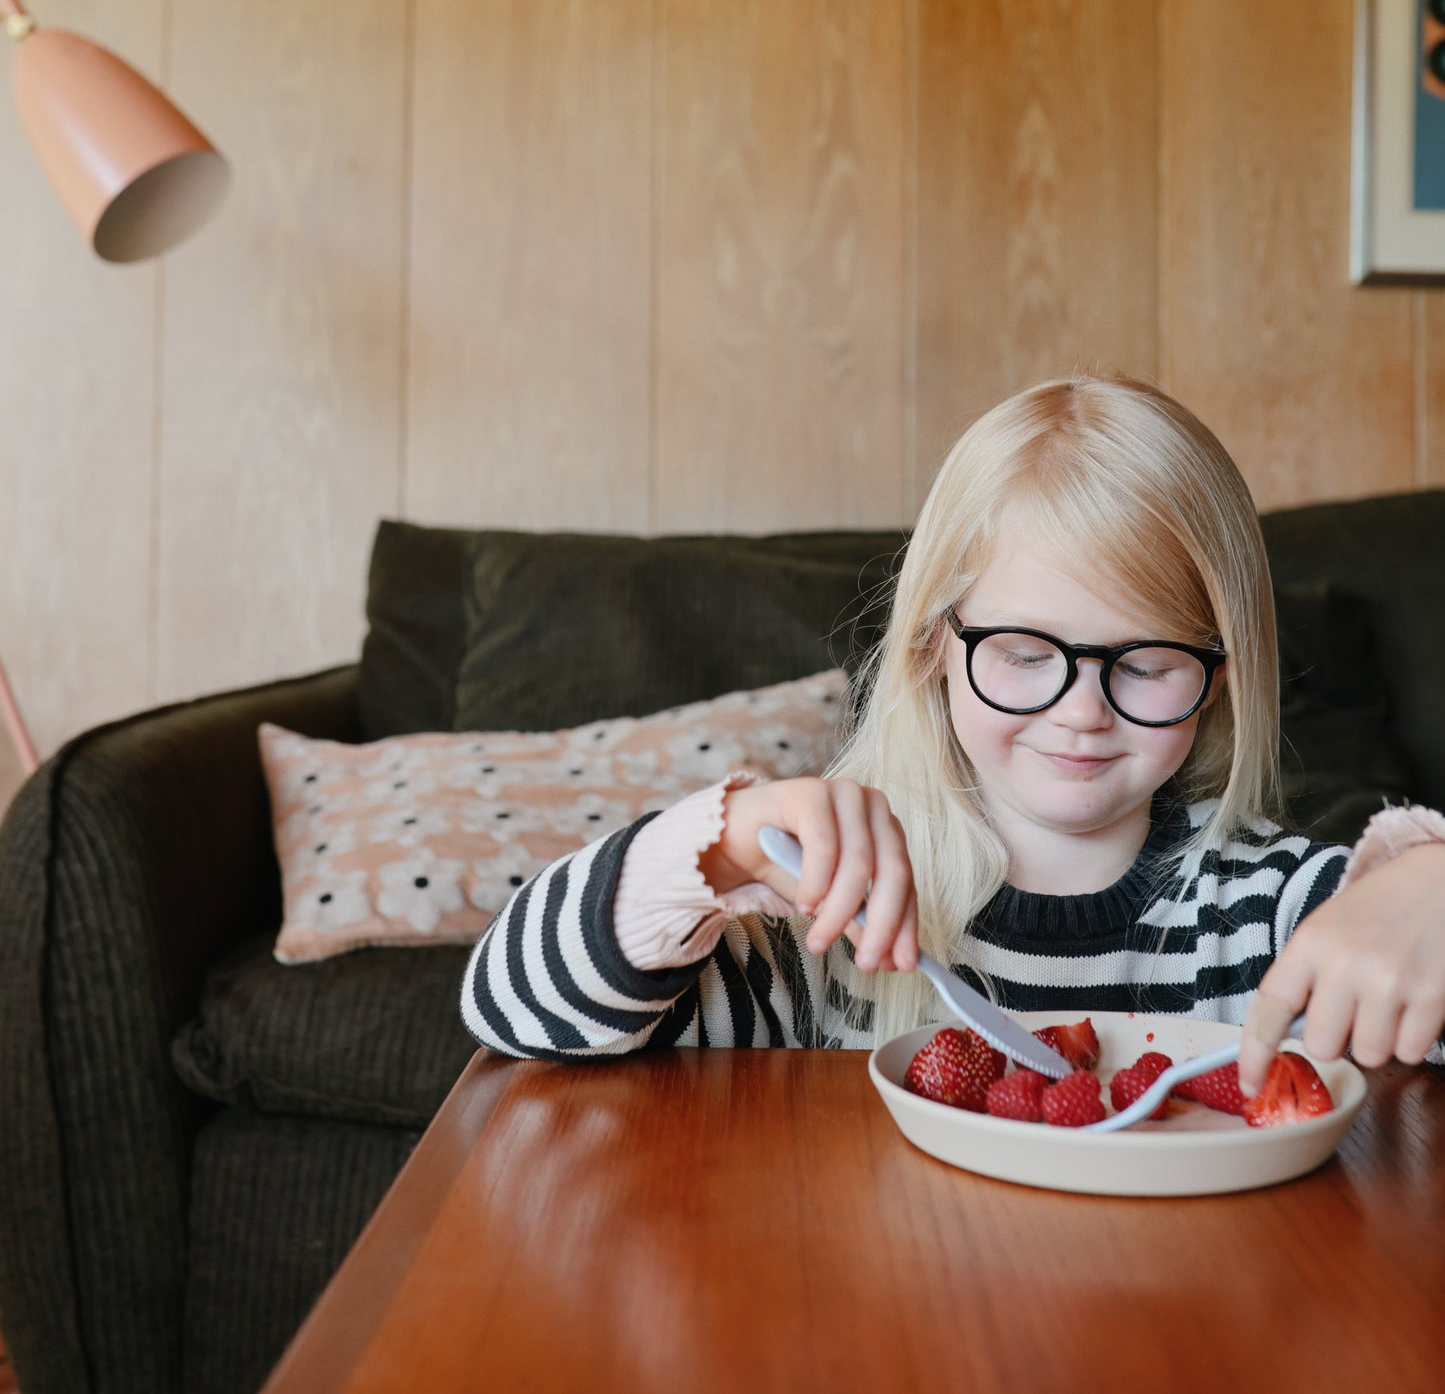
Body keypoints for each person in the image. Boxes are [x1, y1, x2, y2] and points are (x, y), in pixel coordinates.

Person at [461, 373, 1445, 1094]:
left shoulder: (1268, 919)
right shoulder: (829, 925)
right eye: (1023, 651)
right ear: (933, 645)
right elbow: (510, 1011)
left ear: (1217, 678)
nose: (1079, 709)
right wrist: (711, 847)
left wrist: (1425, 885)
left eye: (1142, 662)